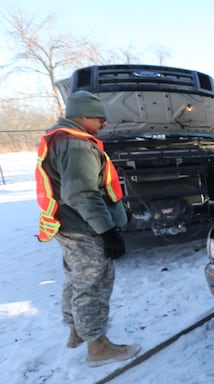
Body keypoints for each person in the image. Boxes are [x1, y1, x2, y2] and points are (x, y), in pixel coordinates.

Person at [36, 90, 141, 367]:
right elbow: (83, 193)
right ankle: (98, 346)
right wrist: (107, 231)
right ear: (82, 116)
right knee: (93, 284)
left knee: (76, 278)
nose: (104, 124)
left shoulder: (58, 137)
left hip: (67, 225)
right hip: (84, 227)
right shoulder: (76, 145)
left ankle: (76, 332)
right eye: (100, 119)